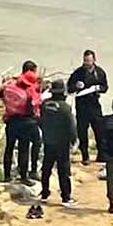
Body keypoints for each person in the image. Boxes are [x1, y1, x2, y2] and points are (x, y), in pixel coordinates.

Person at [0, 61, 42, 185]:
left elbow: (1, 95)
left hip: (10, 121)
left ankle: (6, 175)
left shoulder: (10, 86)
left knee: (9, 148)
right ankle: (24, 176)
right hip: (25, 122)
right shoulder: (28, 92)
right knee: (24, 149)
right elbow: (32, 109)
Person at [40, 79, 78, 207]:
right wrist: (74, 140)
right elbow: (71, 126)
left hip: (48, 141)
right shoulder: (65, 108)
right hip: (62, 143)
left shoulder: (44, 105)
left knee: (46, 168)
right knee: (63, 170)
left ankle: (44, 193)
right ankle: (66, 197)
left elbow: (41, 121)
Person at [67, 50, 109, 165]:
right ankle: (85, 155)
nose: (86, 63)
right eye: (85, 61)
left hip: (95, 104)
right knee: (82, 132)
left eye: (89, 61)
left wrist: (99, 88)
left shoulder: (99, 72)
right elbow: (69, 88)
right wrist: (76, 86)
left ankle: (102, 155)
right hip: (82, 106)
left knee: (100, 130)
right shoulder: (78, 73)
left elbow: (105, 87)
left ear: (94, 60)